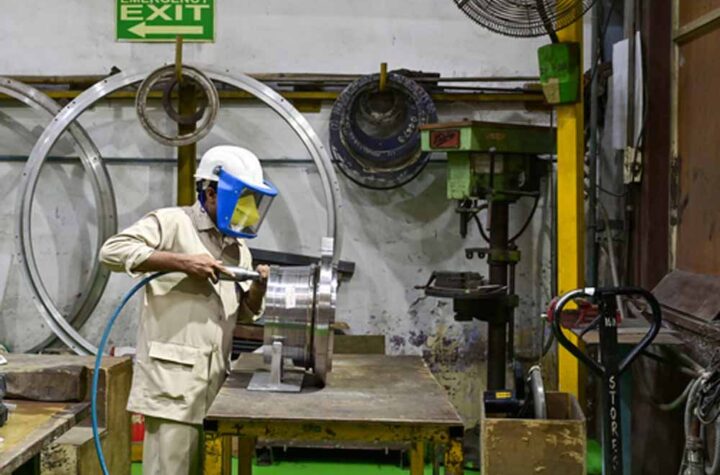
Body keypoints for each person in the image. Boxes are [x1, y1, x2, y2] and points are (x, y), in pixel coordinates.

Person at [99, 145, 278, 474]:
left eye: (251, 202)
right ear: (211, 193)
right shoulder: (172, 223)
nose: (248, 211)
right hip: (172, 388)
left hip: (214, 387)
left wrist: (259, 289)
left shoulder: (239, 249)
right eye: (242, 200)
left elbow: (243, 314)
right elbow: (112, 251)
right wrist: (182, 262)